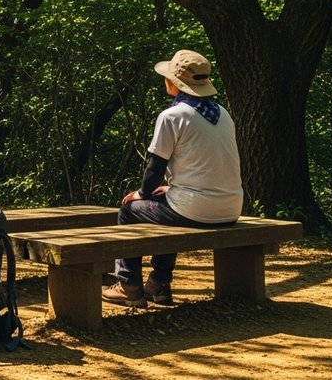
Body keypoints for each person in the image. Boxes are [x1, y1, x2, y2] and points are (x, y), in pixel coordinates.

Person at [101, 49, 243, 307]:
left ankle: (128, 285)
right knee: (167, 206)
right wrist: (173, 189)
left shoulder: (173, 115)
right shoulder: (222, 113)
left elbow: (154, 169)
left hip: (195, 209)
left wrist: (141, 194)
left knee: (128, 210)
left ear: (174, 83)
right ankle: (158, 285)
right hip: (231, 207)